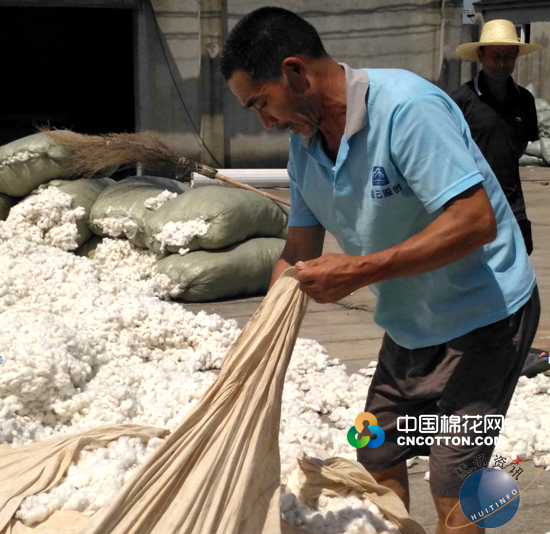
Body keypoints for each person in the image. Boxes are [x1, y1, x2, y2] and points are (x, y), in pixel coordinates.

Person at [221, 7, 540, 533]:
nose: (265, 122)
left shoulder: (406, 108)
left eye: (261, 103)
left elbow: (475, 221)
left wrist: (359, 271)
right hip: (412, 322)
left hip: (486, 313)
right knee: (375, 451)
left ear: (295, 72)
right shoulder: (304, 148)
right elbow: (297, 252)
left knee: (454, 481)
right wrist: (255, 345)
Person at [452, 19, 548, 377]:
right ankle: (465, 353)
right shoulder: (461, 101)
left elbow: (518, 146)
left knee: (516, 279)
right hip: (470, 207)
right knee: (471, 279)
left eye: (509, 56)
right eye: (495, 56)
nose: (502, 63)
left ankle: (511, 352)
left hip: (513, 206)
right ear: (481, 56)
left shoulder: (524, 100)